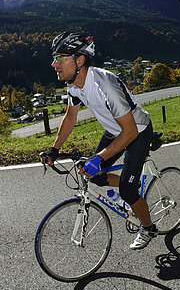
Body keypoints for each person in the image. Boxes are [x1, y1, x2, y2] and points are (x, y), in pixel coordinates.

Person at [40, 31, 157, 250]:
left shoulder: (105, 84)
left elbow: (130, 132)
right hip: (115, 131)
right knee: (93, 174)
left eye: (60, 57)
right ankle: (129, 189)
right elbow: (71, 116)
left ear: (80, 60)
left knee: (128, 191)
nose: (54, 64)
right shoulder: (73, 84)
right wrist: (54, 149)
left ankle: (148, 227)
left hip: (137, 131)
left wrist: (100, 157)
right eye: (54, 58)